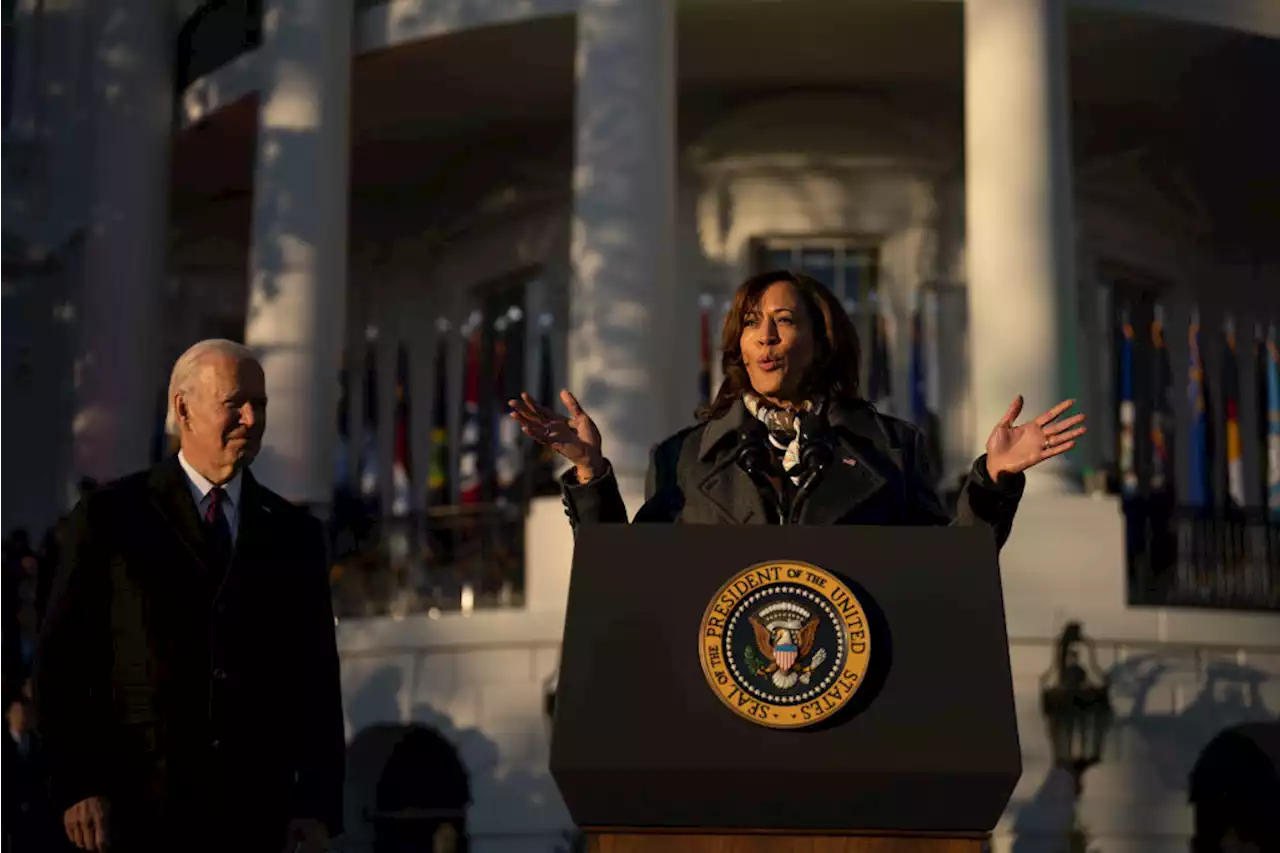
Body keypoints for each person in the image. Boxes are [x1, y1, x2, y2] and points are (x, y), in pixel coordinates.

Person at [34, 339, 345, 853]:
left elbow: (314, 680)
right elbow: (62, 662)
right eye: (235, 403)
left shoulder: (295, 535)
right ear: (183, 408)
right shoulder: (110, 518)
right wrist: (76, 785)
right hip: (137, 814)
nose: (251, 417)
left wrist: (316, 806)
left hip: (255, 819)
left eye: (260, 405)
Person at [509, 270, 1086, 539]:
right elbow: (625, 576)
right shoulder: (683, 459)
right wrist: (590, 472)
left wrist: (994, 479)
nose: (765, 337)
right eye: (751, 323)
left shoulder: (892, 447)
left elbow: (951, 573)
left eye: (784, 321)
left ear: (821, 340)